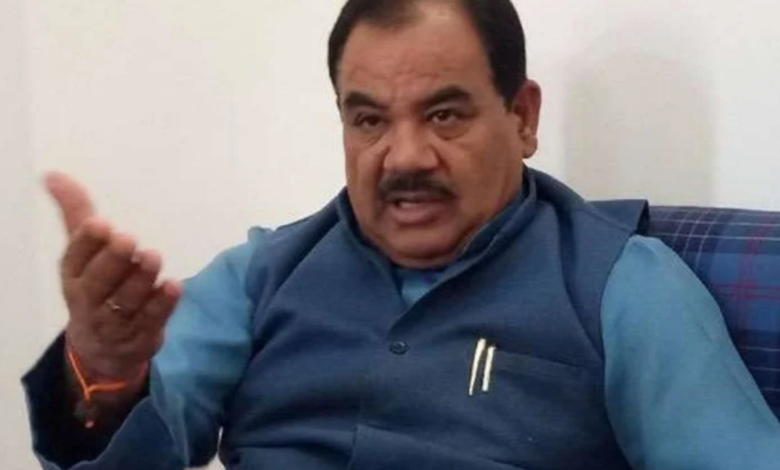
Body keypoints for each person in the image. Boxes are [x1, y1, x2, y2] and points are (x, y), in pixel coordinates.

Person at [23, 0, 780, 469]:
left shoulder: (624, 285)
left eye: (444, 115)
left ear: (522, 118)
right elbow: (122, 446)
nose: (405, 157)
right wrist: (105, 374)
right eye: (370, 120)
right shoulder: (260, 275)